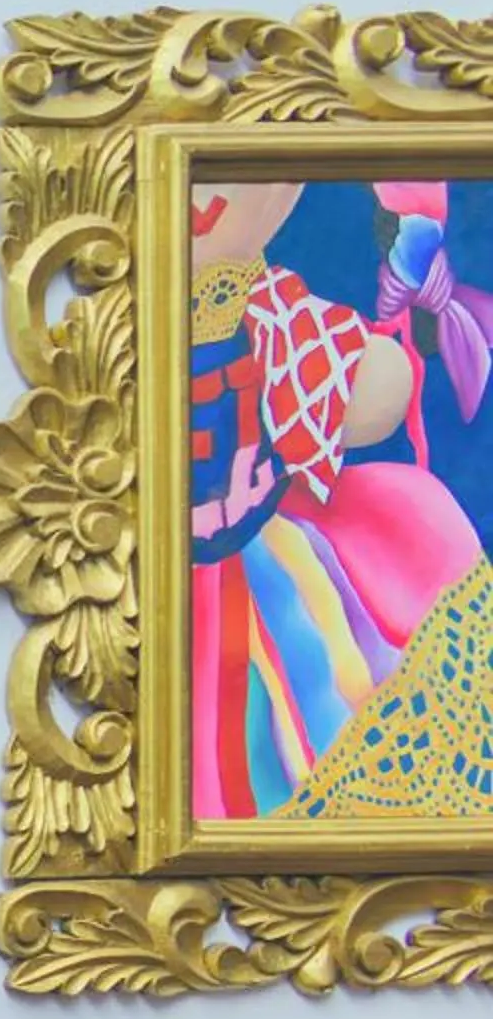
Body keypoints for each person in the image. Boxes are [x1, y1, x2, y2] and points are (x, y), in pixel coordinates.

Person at [187, 180, 493, 817]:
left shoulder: (268, 310)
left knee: (333, 698)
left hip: (266, 554)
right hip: (170, 588)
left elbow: (370, 384)